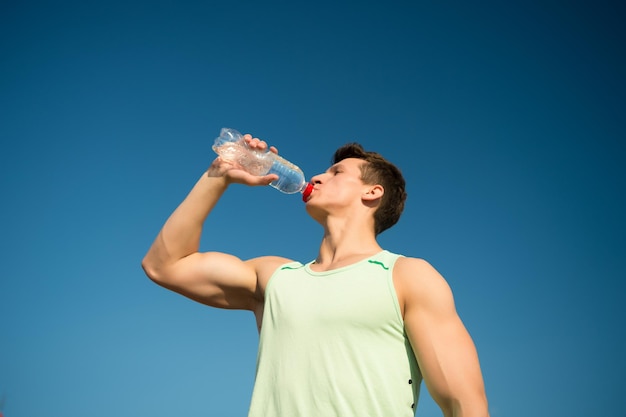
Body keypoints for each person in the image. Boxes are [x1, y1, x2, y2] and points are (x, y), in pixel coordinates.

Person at [142, 133, 490, 417]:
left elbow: (465, 404)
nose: (320, 176)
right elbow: (164, 265)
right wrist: (218, 176)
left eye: (338, 172)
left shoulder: (406, 276)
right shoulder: (276, 277)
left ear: (372, 192)